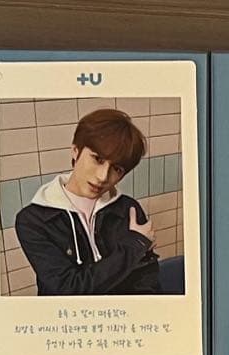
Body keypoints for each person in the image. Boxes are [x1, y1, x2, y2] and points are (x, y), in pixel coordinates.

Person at [14, 108, 160, 295]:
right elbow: (68, 290)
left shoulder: (128, 210)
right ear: (75, 151)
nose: (102, 177)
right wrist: (134, 246)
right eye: (98, 159)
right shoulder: (34, 220)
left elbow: (147, 285)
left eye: (116, 169)